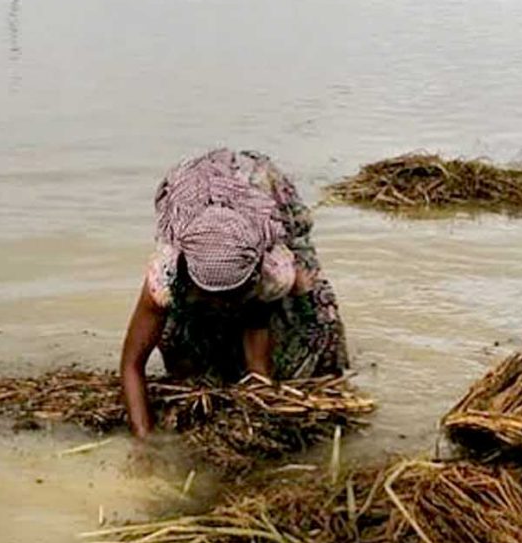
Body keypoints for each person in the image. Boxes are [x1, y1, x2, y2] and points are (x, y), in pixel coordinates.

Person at [118, 148, 350, 439]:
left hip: (262, 189)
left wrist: (259, 418)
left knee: (315, 312)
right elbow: (131, 364)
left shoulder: (273, 271)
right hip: (194, 189)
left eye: (231, 296)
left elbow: (258, 365)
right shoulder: (165, 277)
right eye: (210, 296)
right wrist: (144, 443)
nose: (221, 304)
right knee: (179, 342)